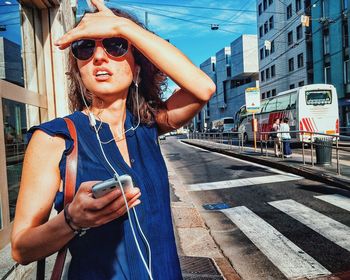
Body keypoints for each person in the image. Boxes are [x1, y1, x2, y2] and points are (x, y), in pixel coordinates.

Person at [11, 1, 216, 279]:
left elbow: (203, 88)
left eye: (116, 45)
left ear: (138, 69)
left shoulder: (147, 126)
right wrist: (72, 220)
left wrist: (124, 26)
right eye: (85, 47)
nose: (99, 57)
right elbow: (21, 249)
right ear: (80, 72)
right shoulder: (53, 138)